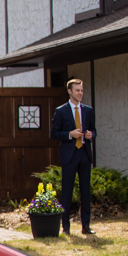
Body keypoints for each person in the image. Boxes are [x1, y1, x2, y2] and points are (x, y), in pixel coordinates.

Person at [51, 79, 96, 235]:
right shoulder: (61, 111)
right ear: (69, 91)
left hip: (84, 153)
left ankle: (86, 226)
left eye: (82, 90)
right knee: (67, 192)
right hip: (69, 155)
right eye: (77, 90)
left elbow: (94, 131)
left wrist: (91, 135)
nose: (80, 93)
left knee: (85, 191)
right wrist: (69, 134)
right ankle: (66, 227)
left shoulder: (88, 110)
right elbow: (54, 133)